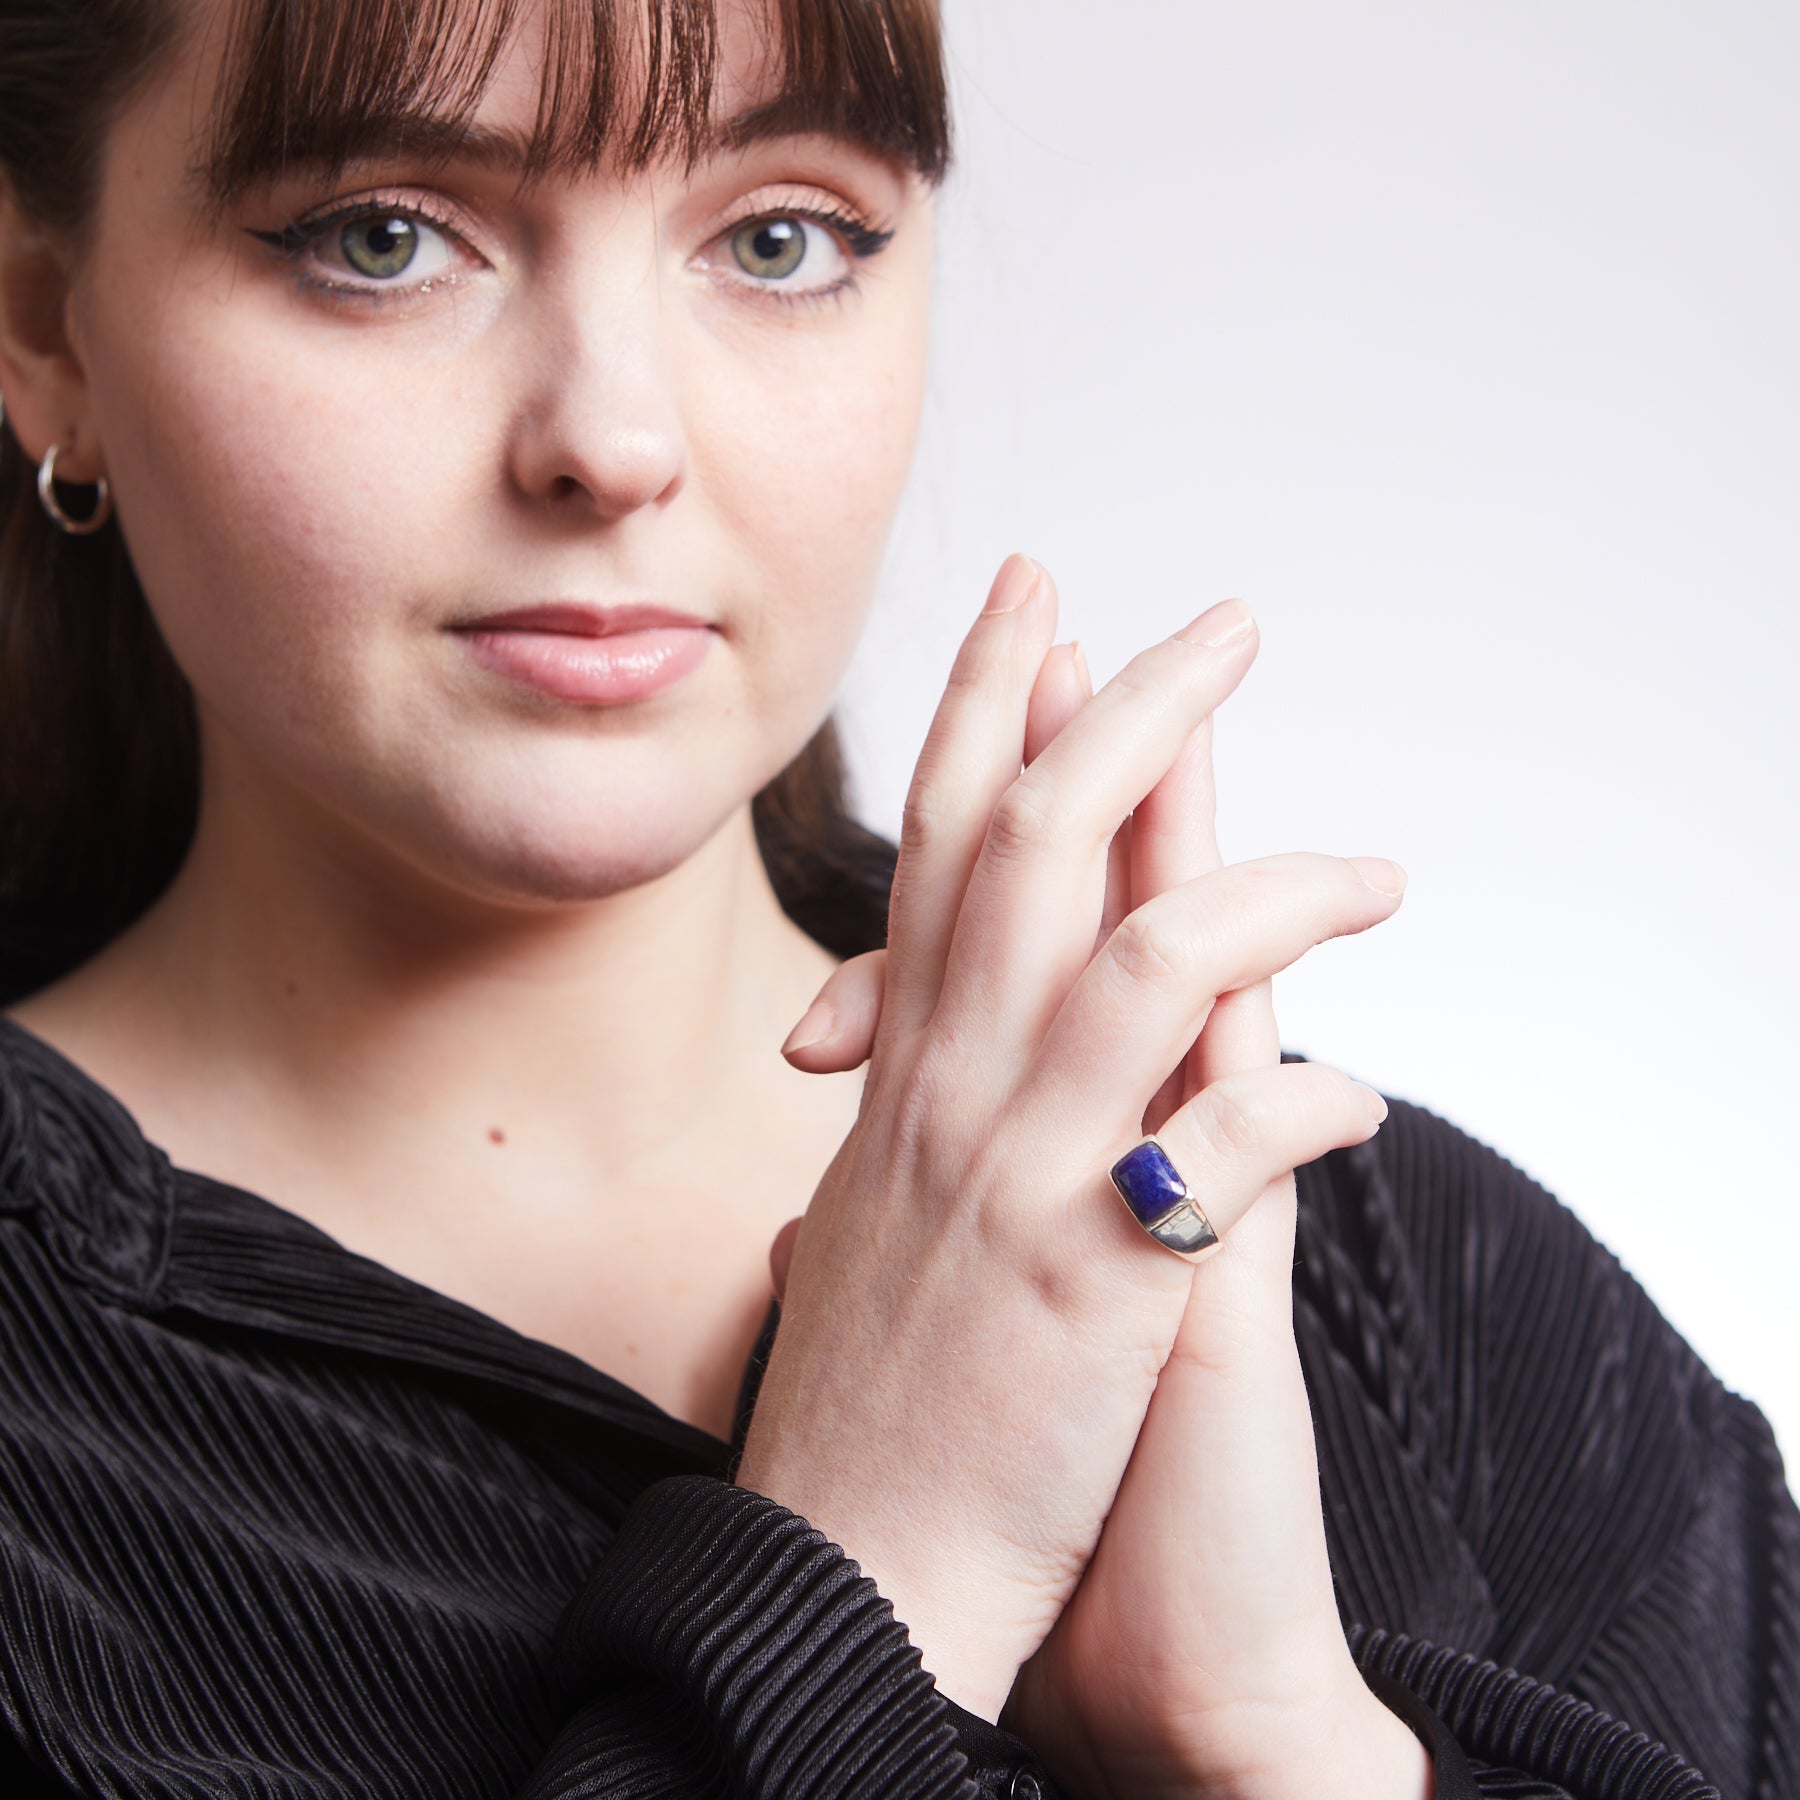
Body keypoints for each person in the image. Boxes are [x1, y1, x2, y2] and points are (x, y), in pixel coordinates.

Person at [0, 1, 1792, 1796]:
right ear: (38, 320)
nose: (615, 441)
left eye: (781, 238)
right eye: (384, 237)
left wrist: (1288, 1754)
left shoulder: (1383, 1276)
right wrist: (877, 1577)